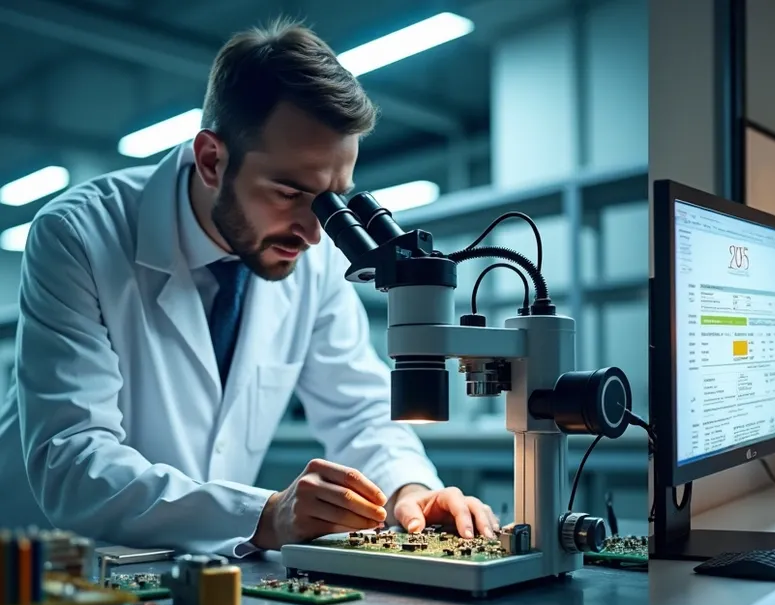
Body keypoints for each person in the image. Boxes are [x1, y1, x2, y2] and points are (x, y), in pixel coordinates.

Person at [0, 20, 499, 557]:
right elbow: (73, 458)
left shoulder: (315, 254)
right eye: (289, 191)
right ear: (213, 160)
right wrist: (264, 515)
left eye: (333, 199)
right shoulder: (79, 235)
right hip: (48, 563)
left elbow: (359, 410)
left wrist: (411, 492)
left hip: (197, 570)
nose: (314, 233)